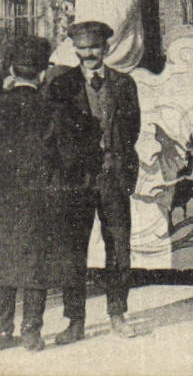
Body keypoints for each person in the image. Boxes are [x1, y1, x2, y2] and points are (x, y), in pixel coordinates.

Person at [0, 33, 97, 351]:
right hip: (42, 200)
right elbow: (69, 159)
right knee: (36, 266)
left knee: (1, 265)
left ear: (10, 71)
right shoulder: (55, 111)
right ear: (41, 73)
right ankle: (31, 332)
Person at [47, 19, 144, 343]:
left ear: (106, 48)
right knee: (73, 249)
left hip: (113, 177)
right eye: (83, 48)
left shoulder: (124, 84)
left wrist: (118, 160)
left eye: (95, 48)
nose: (89, 54)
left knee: (119, 247)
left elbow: (132, 129)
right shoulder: (63, 85)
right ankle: (75, 321)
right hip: (77, 180)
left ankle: (118, 314)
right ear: (75, 49)